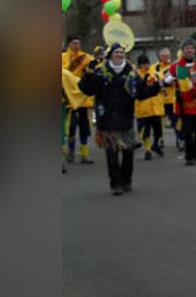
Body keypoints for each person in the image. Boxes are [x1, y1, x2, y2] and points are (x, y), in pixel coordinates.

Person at [77, 43, 162, 195]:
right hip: (107, 119)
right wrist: (88, 73)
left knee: (128, 153)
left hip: (125, 118)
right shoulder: (100, 71)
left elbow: (141, 93)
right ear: (110, 55)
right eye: (116, 52)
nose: (119, 55)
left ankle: (127, 180)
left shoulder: (131, 72)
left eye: (122, 52)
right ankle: (115, 184)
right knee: (111, 154)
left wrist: (155, 87)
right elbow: (86, 90)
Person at [61, 36, 95, 164]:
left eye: (78, 43)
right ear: (69, 44)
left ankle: (84, 154)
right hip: (69, 97)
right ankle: (71, 151)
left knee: (85, 128)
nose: (76, 45)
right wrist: (73, 63)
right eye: (74, 43)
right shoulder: (63, 57)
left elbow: (92, 71)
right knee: (70, 128)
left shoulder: (86, 57)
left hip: (83, 97)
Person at [133, 54, 166, 160]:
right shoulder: (136, 75)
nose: (145, 66)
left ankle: (155, 144)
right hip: (144, 108)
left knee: (158, 131)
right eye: (142, 64)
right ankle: (147, 149)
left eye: (146, 63)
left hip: (156, 107)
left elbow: (162, 85)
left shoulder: (155, 74)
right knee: (145, 130)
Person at [156, 47, 182, 151]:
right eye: (164, 56)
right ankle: (161, 140)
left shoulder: (174, 66)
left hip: (172, 99)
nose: (166, 58)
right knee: (160, 122)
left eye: (168, 56)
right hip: (161, 99)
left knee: (175, 121)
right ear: (160, 56)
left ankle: (179, 139)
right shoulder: (156, 67)